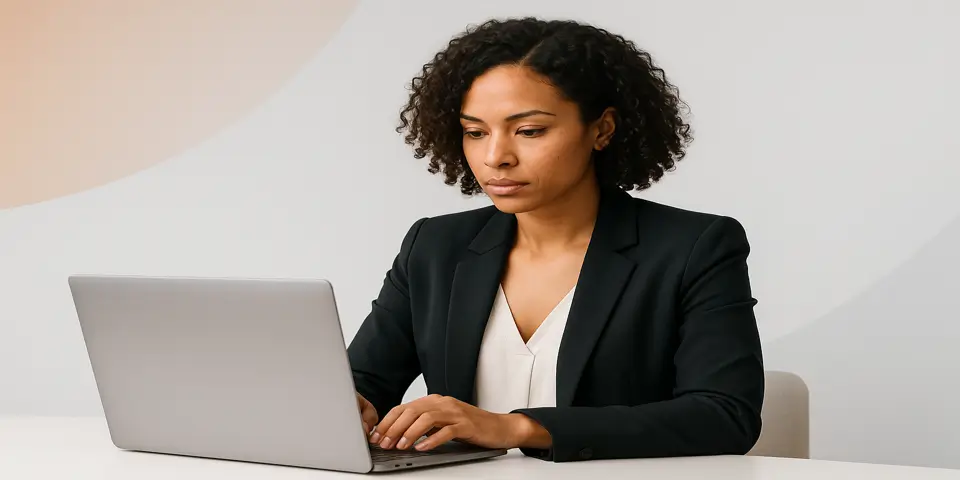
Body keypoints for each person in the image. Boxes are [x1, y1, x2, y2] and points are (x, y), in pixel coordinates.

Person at [346, 16, 764, 463]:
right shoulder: (434, 246)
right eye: (475, 132)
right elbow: (362, 381)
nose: (496, 157)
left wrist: (518, 427)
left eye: (529, 131)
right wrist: (349, 406)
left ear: (602, 129)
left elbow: (724, 415)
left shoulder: (694, 246)